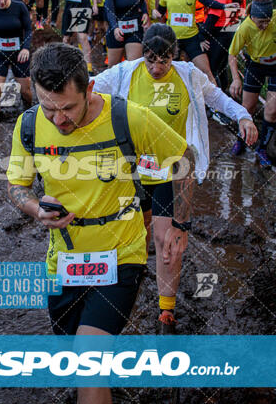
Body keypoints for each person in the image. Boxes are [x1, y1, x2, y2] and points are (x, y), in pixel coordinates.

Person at [7, 42, 188, 404]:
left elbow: (183, 158)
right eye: (48, 108)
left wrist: (178, 224)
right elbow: (15, 187)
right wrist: (34, 209)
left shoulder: (128, 118)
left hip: (121, 254)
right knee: (75, 357)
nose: (59, 120)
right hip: (64, 260)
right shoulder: (28, 126)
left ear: (90, 90)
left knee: (89, 360)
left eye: (68, 108)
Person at [93, 24, 257, 332]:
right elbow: (86, 87)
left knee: (167, 240)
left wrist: (244, 116)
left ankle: (165, 311)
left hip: (173, 171)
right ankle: (115, 290)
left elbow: (219, 100)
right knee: (127, 234)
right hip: (131, 173)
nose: (156, 68)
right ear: (142, 54)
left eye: (163, 61)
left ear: (175, 56)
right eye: (150, 60)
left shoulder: (189, 75)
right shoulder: (124, 73)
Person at [157, 0, 239, 84]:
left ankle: (214, 102)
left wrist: (225, 6)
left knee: (207, 72)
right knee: (169, 73)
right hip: (173, 39)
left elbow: (208, 2)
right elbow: (160, 12)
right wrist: (154, 13)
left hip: (192, 37)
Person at [229, 0, 276, 167]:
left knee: (271, 110)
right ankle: (241, 141)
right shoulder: (245, 28)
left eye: (268, 21)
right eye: (261, 22)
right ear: (252, 17)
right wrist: (235, 79)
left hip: (275, 67)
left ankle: (262, 148)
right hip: (255, 66)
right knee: (248, 107)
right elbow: (232, 54)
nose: (265, 25)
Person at [200, 0, 246, 92]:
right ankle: (226, 96)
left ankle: (216, 101)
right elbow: (240, 16)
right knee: (222, 68)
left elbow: (212, 18)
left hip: (217, 34)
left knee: (212, 69)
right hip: (231, 33)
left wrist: (201, 36)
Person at [104, 0, 148, 67]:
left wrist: (145, 12)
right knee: (113, 68)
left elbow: (142, 1)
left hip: (134, 28)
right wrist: (115, 27)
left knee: (134, 66)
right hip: (117, 28)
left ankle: (131, 84)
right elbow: (109, 10)